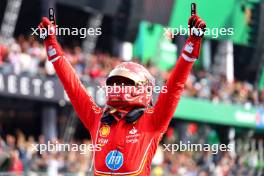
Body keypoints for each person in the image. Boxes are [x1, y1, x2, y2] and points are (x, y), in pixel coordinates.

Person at [38, 10, 206, 176]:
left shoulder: (154, 120)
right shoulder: (97, 119)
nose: (118, 87)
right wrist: (52, 47)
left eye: (126, 82)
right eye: (115, 82)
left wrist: (191, 46)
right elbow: (73, 86)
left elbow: (174, 87)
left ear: (144, 88)